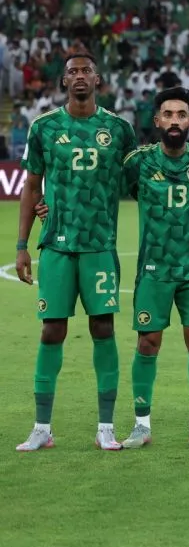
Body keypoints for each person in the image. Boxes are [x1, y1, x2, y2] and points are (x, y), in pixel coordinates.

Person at [15, 52, 138, 451]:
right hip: (56, 246)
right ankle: (42, 428)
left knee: (103, 328)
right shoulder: (44, 128)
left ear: (98, 80)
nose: (80, 76)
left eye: (86, 70)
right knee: (52, 330)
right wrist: (21, 245)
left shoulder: (119, 129)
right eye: (72, 72)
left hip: (100, 245)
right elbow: (31, 187)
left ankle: (105, 426)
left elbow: (140, 182)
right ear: (63, 82)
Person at [118, 87, 189, 449]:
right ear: (157, 120)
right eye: (169, 114)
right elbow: (117, 189)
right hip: (153, 269)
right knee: (147, 342)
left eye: (182, 115)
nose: (175, 120)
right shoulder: (138, 161)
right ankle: (141, 425)